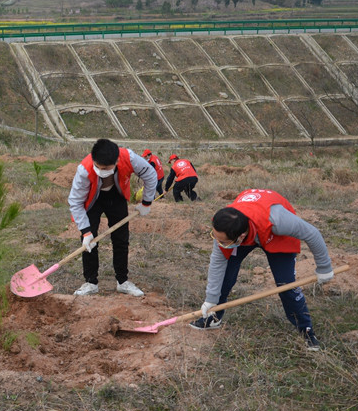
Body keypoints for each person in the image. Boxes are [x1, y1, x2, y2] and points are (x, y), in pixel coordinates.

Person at [191, 188, 335, 351]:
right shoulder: (224, 226)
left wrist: (324, 268)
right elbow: (217, 264)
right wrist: (210, 299)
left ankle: (306, 330)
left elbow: (312, 233)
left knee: (285, 284)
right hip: (250, 221)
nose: (218, 242)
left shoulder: (279, 221)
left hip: (273, 231)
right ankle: (213, 317)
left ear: (241, 237)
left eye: (223, 241)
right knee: (225, 276)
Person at [68, 138, 159, 297]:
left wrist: (146, 202)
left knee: (121, 239)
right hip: (92, 200)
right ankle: (91, 282)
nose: (100, 170)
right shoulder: (84, 169)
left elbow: (150, 174)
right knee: (90, 241)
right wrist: (86, 231)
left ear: (116, 161)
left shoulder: (129, 158)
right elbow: (75, 201)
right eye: (98, 166)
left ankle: (122, 281)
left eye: (105, 168)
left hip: (116, 196)